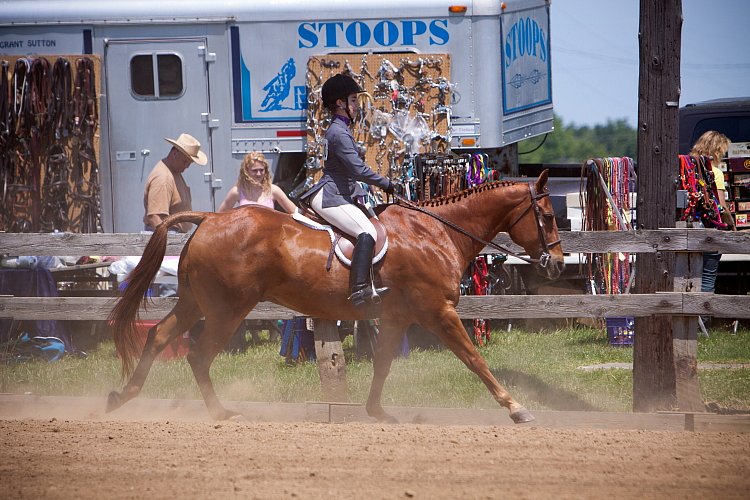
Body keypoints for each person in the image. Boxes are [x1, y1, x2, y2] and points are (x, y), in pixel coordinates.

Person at [300, 73, 395, 308]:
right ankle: (359, 290)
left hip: (341, 193)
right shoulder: (339, 132)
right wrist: (385, 183)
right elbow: (357, 169)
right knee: (367, 232)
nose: (356, 105)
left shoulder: (341, 130)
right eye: (353, 100)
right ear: (340, 103)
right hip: (332, 196)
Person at [690, 131, 735, 315]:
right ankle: (704, 319)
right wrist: (733, 226)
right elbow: (721, 208)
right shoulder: (715, 172)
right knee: (707, 277)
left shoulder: (687, 167)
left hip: (689, 229)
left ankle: (691, 317)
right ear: (716, 150)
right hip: (709, 231)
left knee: (689, 276)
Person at [143, 133, 208, 233]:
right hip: (169, 234)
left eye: (189, 163)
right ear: (174, 154)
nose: (187, 166)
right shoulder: (163, 178)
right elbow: (155, 218)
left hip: (172, 234)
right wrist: (168, 244)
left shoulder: (173, 171)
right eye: (185, 161)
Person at [217, 151, 297, 214]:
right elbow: (219, 216)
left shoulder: (273, 190)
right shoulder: (237, 191)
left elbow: (294, 212)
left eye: (261, 170)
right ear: (246, 171)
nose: (258, 174)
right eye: (254, 171)